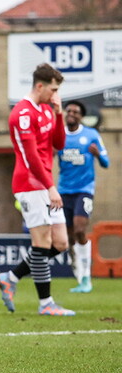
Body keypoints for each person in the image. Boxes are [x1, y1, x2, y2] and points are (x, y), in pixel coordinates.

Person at [0, 63, 73, 316]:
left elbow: (58, 144)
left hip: (46, 183)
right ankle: (46, 303)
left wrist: (59, 113)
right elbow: (30, 158)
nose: (55, 94)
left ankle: (11, 277)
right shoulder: (22, 114)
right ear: (40, 86)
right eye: (53, 89)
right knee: (42, 243)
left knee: (60, 243)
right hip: (30, 184)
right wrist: (50, 187)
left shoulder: (48, 110)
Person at [58, 100, 109, 294]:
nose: (71, 113)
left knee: (80, 229)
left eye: (76, 112)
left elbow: (106, 162)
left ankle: (86, 276)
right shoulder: (59, 135)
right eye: (69, 110)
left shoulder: (91, 135)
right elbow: (47, 154)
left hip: (84, 190)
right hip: (63, 191)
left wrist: (98, 155)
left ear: (81, 116)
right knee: (69, 235)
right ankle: (78, 269)